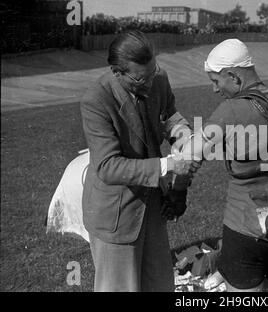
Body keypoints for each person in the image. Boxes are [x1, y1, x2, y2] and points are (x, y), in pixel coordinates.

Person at [181, 39, 268, 292]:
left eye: (216, 81)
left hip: (243, 229)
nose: (215, 90)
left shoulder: (230, 110)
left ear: (233, 76)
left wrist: (177, 191)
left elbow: (188, 158)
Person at [80, 30, 200, 292]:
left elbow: (170, 115)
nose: (148, 84)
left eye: (152, 73)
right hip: (116, 214)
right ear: (116, 71)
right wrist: (168, 165)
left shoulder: (157, 77)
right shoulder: (96, 100)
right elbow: (108, 166)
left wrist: (184, 135)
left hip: (152, 207)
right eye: (139, 79)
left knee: (159, 284)